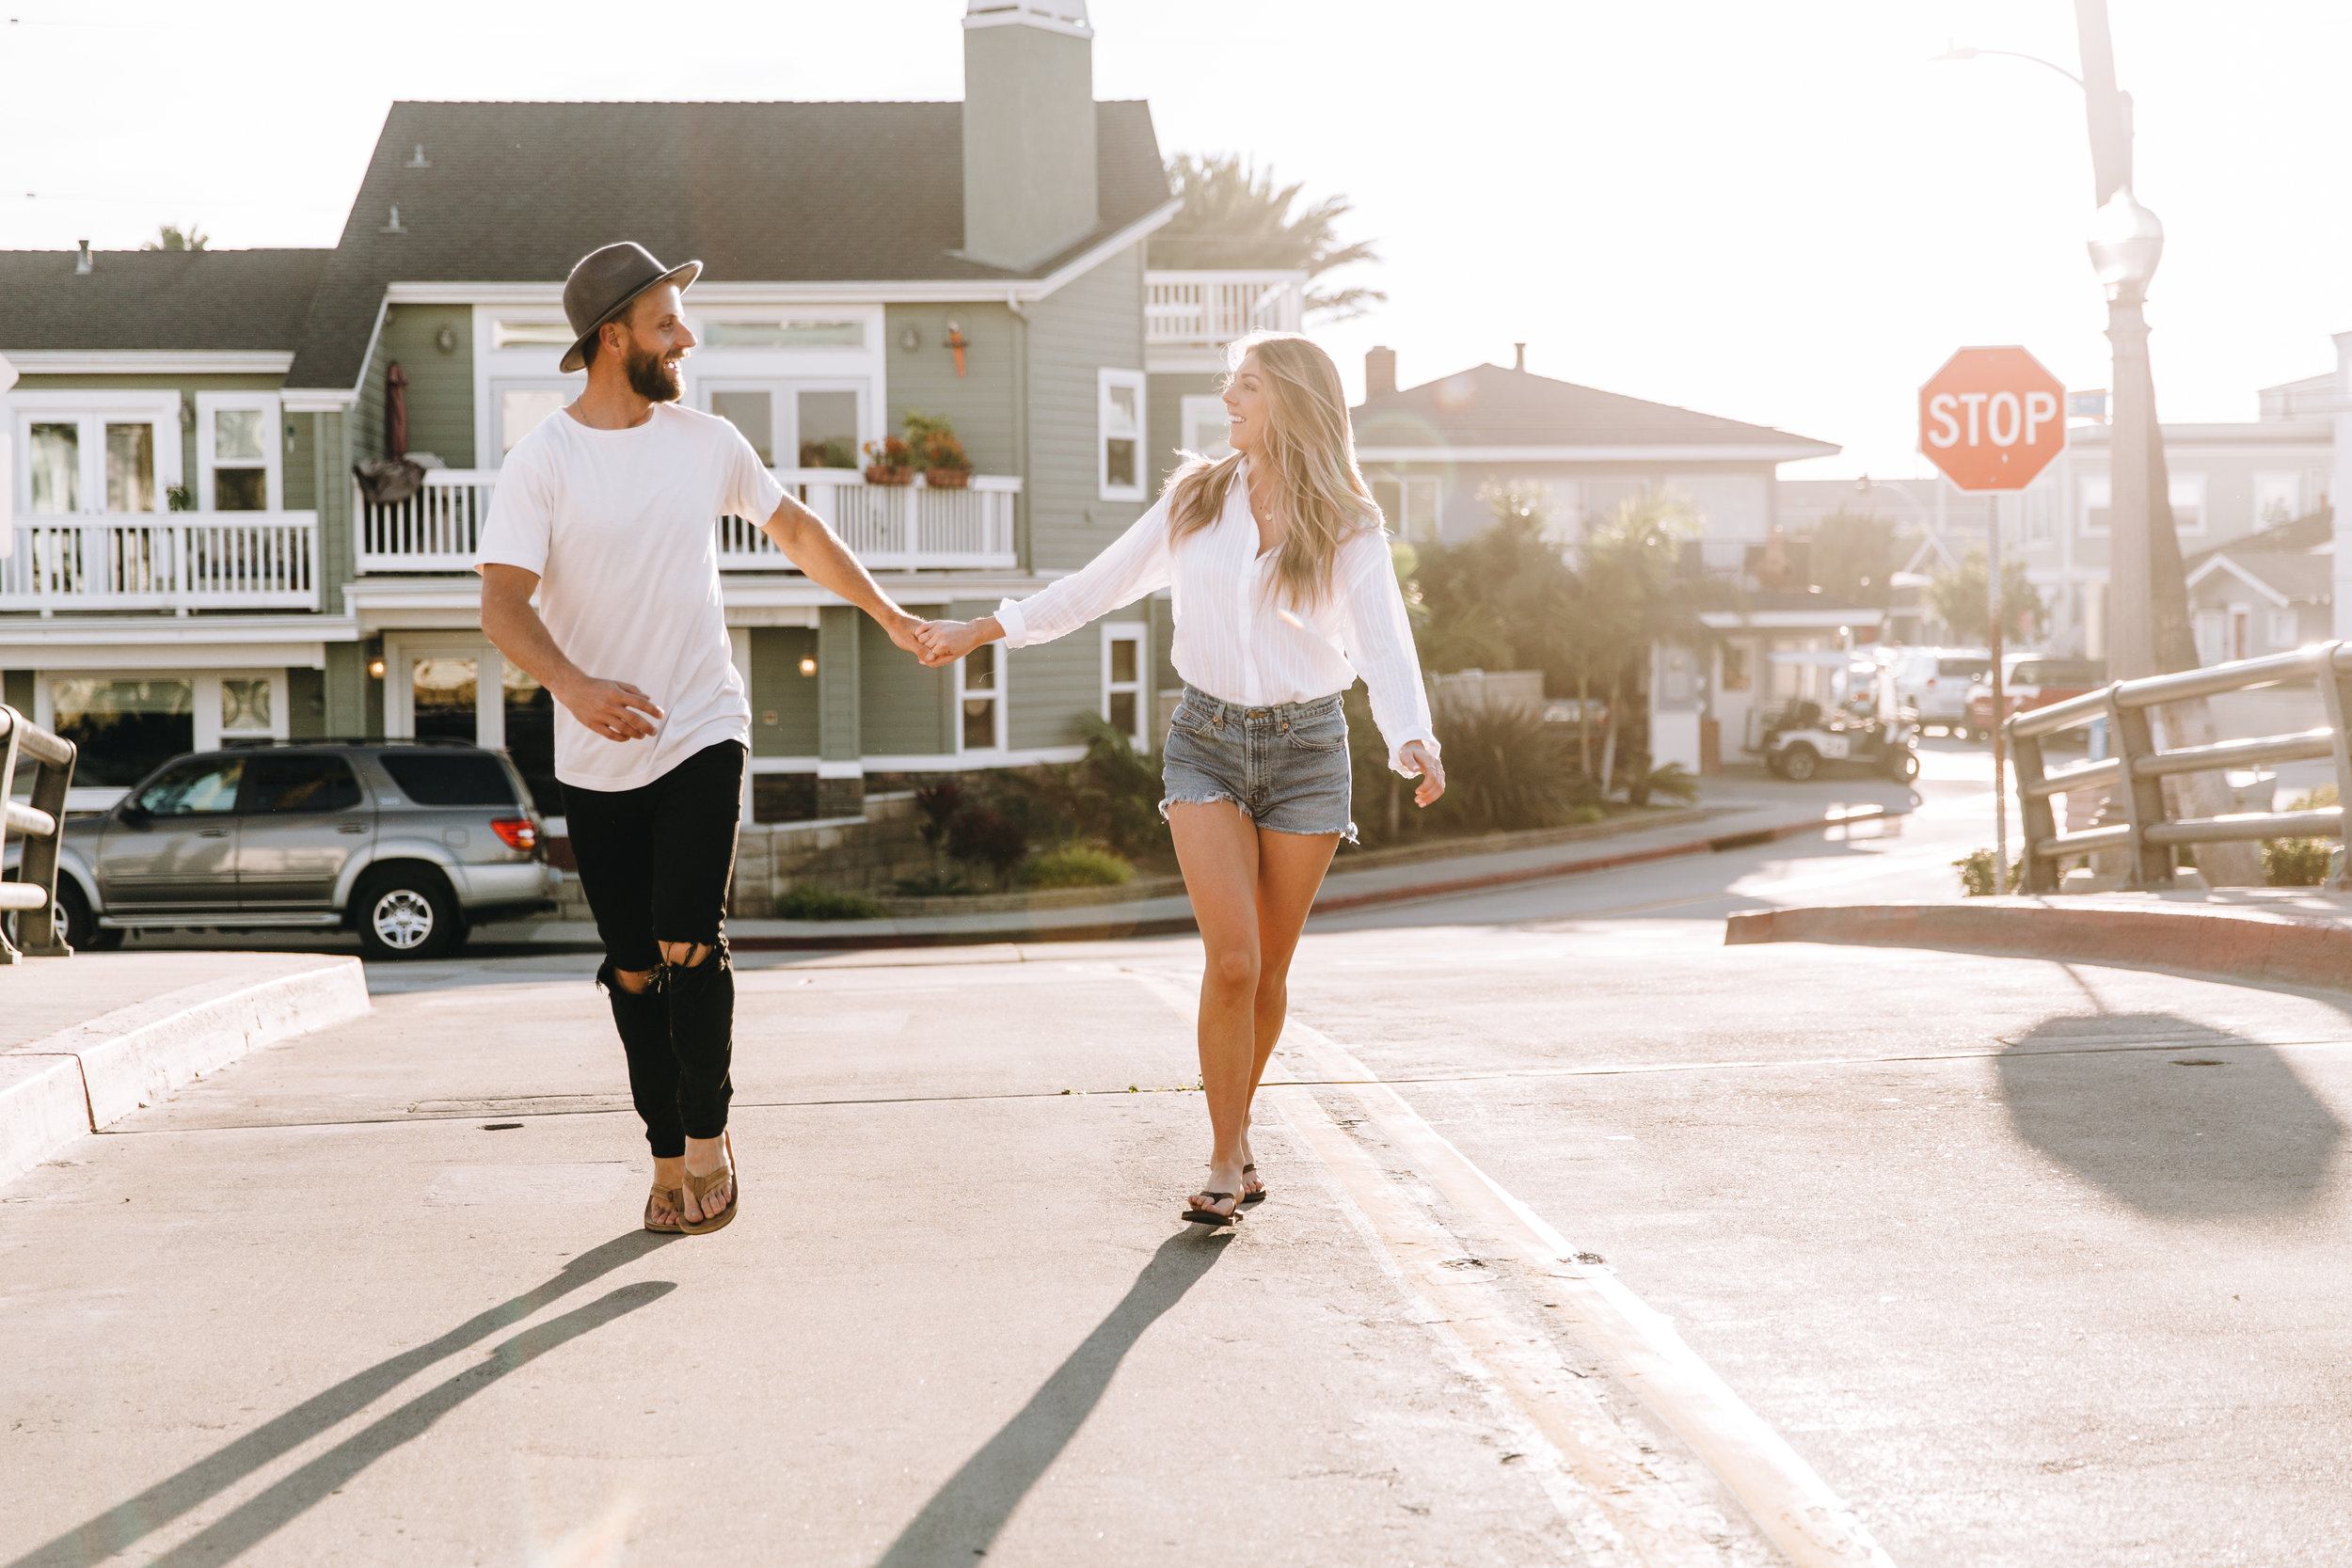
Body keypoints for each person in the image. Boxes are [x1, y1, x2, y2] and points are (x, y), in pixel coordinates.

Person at [917, 333, 1445, 1224]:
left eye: (1244, 386)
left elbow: (1381, 635)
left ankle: (1238, 1136)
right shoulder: (1196, 499)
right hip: (1204, 737)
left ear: (1291, 400)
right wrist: (987, 628)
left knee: (1269, 971)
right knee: (1231, 960)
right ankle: (1221, 1153)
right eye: (1230, 384)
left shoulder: (1348, 519)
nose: (1227, 399)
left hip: (1310, 749)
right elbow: (1097, 586)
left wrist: (1413, 739)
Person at [478, 242, 930, 1235]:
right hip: (594, 751)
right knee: (634, 964)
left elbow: (799, 529)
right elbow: (502, 606)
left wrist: (890, 616)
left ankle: (709, 1137)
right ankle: (661, 1148)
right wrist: (573, 685)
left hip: (699, 721)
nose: (685, 335)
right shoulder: (543, 460)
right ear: (612, 337)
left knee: (691, 935)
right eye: (665, 321)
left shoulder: (706, 441)